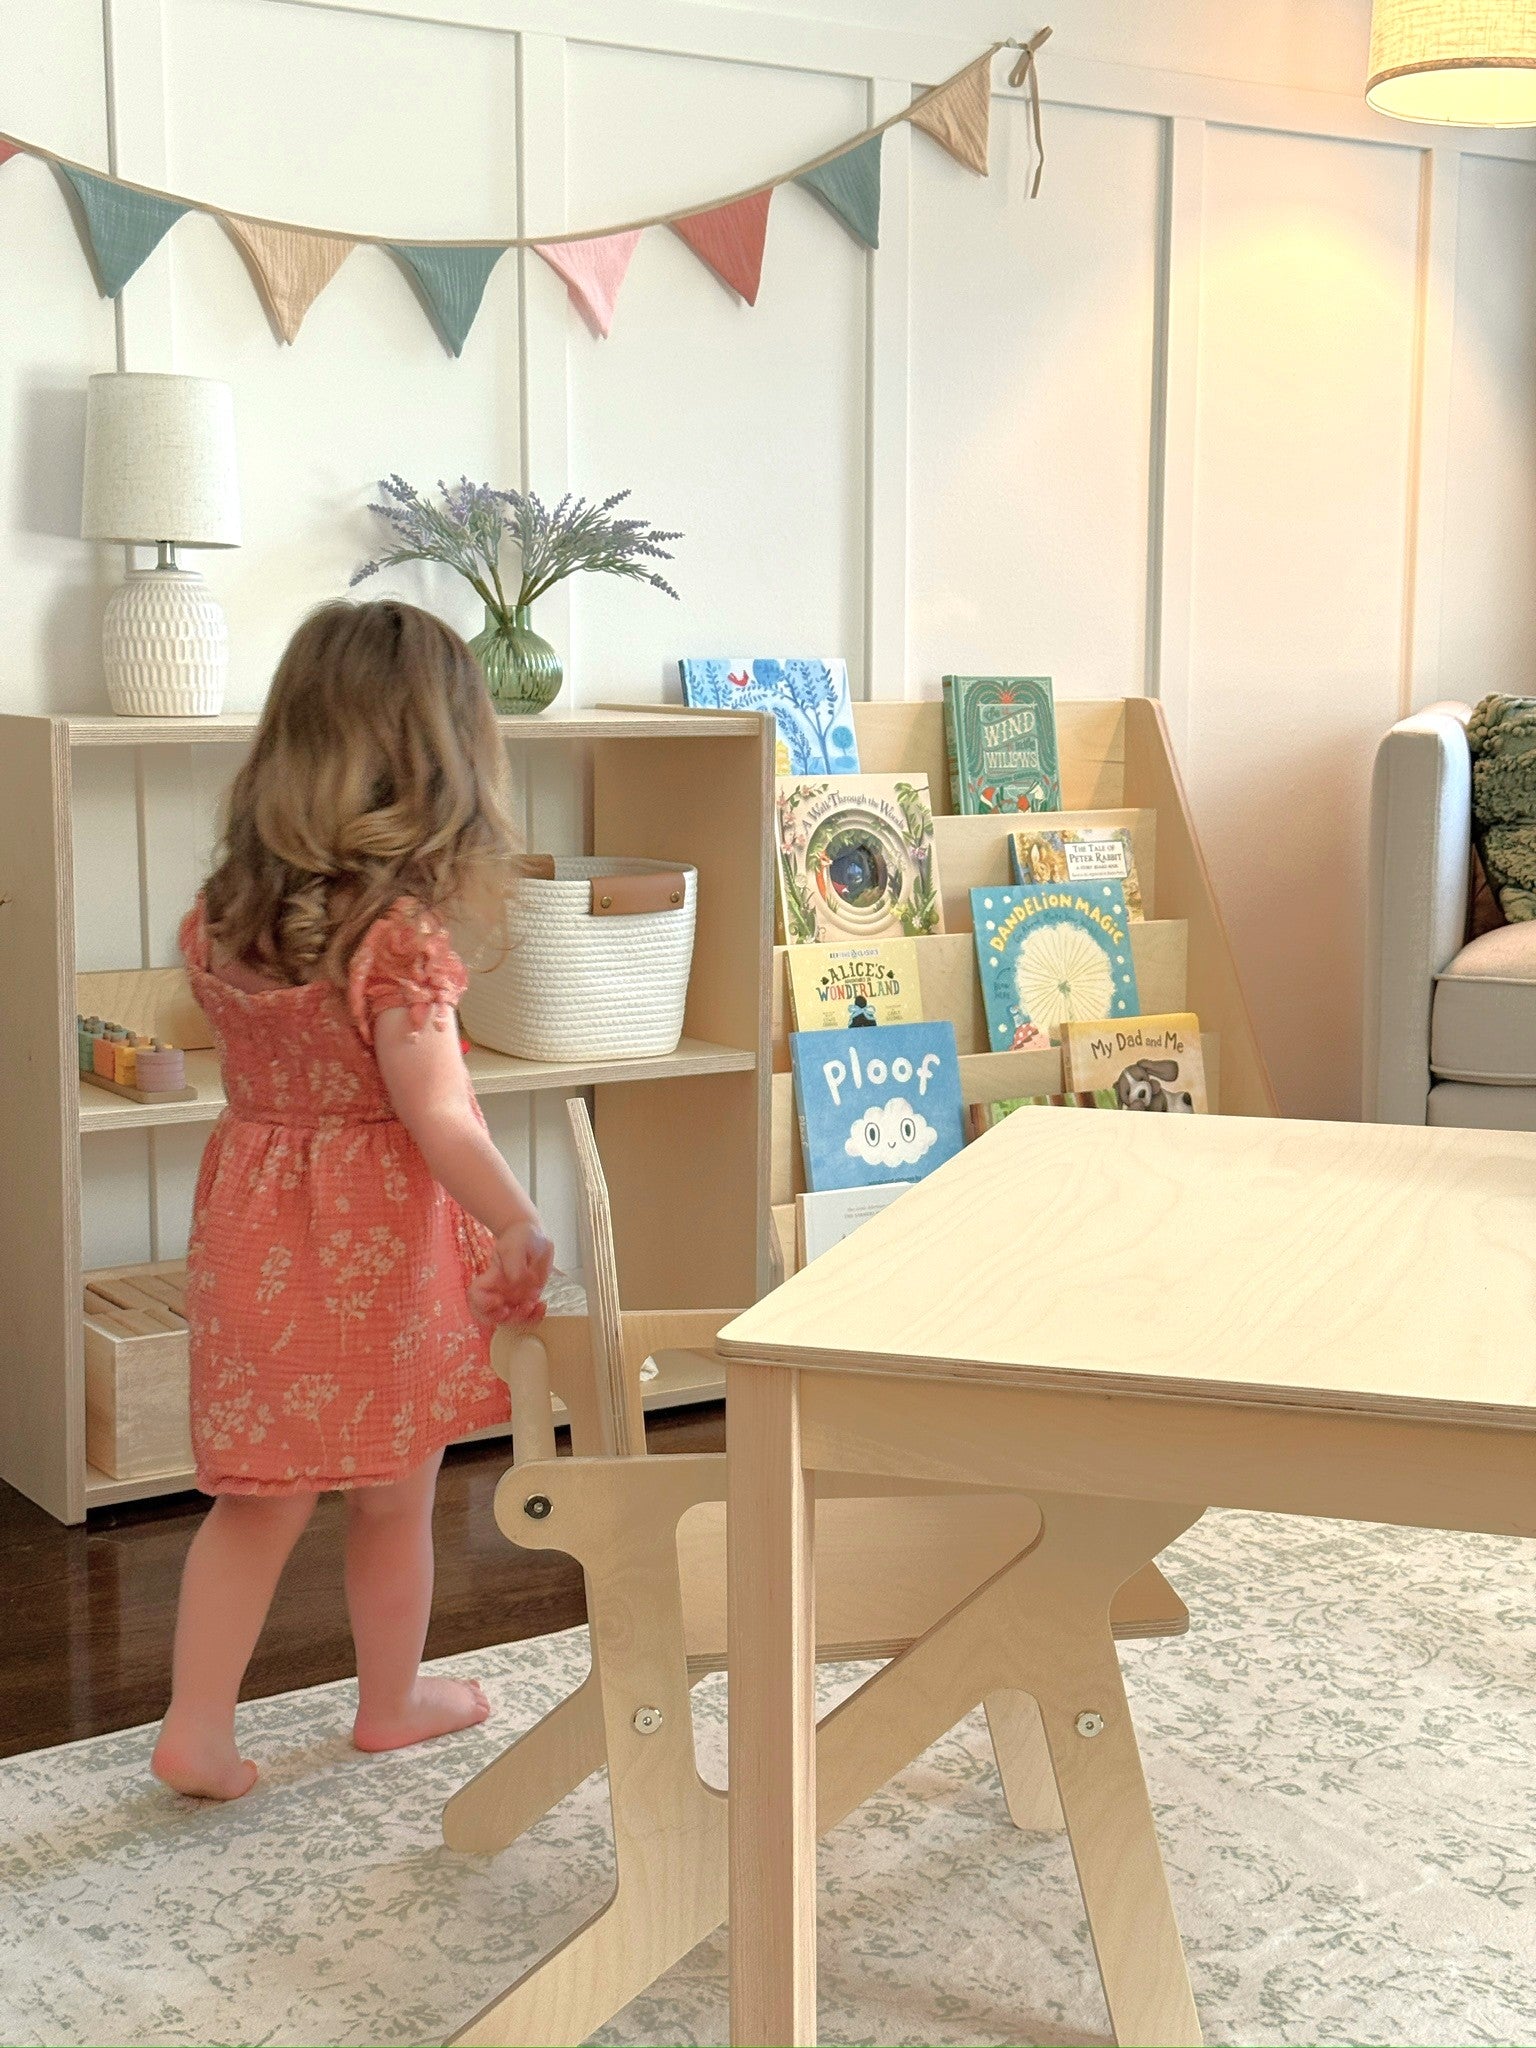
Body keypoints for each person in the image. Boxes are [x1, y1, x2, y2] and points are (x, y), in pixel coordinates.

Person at [151, 599, 552, 1802]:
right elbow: (438, 1116)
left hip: (255, 1227)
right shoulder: (399, 942)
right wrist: (521, 1217)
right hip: (376, 1246)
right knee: (394, 1490)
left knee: (255, 1500)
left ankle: (196, 1727)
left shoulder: (222, 917)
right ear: (440, 759)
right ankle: (390, 1699)